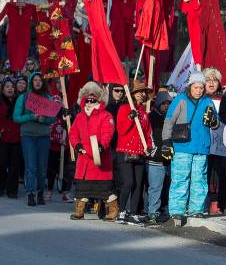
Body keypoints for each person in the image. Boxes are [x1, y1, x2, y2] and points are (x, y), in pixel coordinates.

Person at [162, 71, 218, 225]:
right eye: (196, 87)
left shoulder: (208, 101)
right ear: (190, 86)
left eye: (201, 87)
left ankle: (196, 209)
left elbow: (216, 123)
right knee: (181, 179)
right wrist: (166, 142)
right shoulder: (180, 100)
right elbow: (168, 122)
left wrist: (213, 120)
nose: (199, 91)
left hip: (201, 147)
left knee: (199, 180)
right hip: (182, 147)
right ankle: (177, 212)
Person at [68, 81, 118, 221]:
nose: (89, 103)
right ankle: (80, 210)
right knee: (83, 187)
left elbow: (107, 133)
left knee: (104, 188)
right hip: (84, 158)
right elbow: (73, 134)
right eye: (87, 100)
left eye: (92, 100)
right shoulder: (79, 116)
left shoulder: (106, 115)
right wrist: (77, 146)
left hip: (100, 159)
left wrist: (101, 146)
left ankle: (113, 210)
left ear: (98, 100)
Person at [13, 73, 56, 206]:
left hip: (43, 136)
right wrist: (31, 116)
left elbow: (52, 118)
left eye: (40, 80)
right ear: (31, 82)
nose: (37, 82)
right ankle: (30, 193)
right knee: (31, 166)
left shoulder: (48, 98)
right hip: (28, 136)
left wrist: (42, 119)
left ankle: (40, 192)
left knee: (42, 167)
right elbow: (16, 118)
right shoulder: (23, 98)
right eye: (35, 80)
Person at [114, 79, 154, 224]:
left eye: (143, 92)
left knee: (138, 184)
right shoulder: (124, 109)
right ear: (132, 93)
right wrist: (130, 117)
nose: (142, 94)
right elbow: (121, 130)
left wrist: (148, 146)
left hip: (139, 152)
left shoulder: (144, 113)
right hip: (125, 151)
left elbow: (148, 132)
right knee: (129, 182)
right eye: (138, 92)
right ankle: (121, 211)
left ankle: (134, 212)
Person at [0, 78, 23, 197]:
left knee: (15, 165)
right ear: (2, 89)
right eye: (7, 87)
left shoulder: (19, 102)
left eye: (12, 87)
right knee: (1, 164)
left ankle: (12, 190)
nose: (10, 88)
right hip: (2, 137)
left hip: (16, 137)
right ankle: (0, 186)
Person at [204, 68, 226, 215]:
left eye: (215, 80)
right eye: (208, 80)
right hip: (205, 141)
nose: (211, 83)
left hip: (220, 142)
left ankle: (220, 203)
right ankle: (206, 203)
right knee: (205, 173)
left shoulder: (224, 98)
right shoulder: (200, 98)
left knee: (220, 173)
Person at [146, 91, 173, 225]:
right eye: (164, 103)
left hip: (169, 157)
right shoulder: (152, 117)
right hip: (156, 158)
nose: (166, 106)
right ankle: (152, 212)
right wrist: (154, 150)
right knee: (155, 187)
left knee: (167, 186)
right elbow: (149, 135)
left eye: (169, 103)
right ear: (158, 104)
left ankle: (165, 209)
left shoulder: (171, 117)